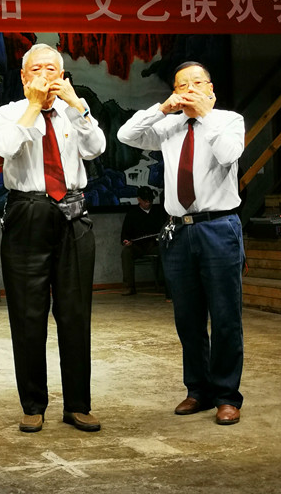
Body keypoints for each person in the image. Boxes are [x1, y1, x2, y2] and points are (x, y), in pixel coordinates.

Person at [117, 61, 245, 426]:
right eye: (181, 85)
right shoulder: (169, 126)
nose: (189, 89)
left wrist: (205, 116)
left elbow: (229, 155)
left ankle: (226, 395)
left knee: (225, 317)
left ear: (210, 89)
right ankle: (197, 390)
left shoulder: (228, 120)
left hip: (218, 226)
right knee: (187, 319)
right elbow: (126, 134)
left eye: (196, 83)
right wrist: (162, 109)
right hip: (178, 230)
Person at [0, 43, 106, 433]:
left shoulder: (74, 109)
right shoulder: (9, 112)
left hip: (73, 212)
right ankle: (33, 404)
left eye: (52, 70)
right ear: (24, 77)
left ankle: (78, 404)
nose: (45, 76)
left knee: (75, 312)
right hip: (28, 211)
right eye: (37, 69)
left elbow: (97, 148)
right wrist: (34, 106)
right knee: (28, 314)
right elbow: (5, 148)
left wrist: (77, 105)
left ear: (63, 75)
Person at [120, 185, 168, 296]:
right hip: (138, 246)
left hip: (154, 245)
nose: (148, 203)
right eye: (145, 201)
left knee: (166, 251)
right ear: (139, 200)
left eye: (150, 200)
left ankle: (168, 286)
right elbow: (124, 234)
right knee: (126, 253)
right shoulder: (132, 214)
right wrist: (126, 241)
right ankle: (129, 287)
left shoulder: (158, 212)